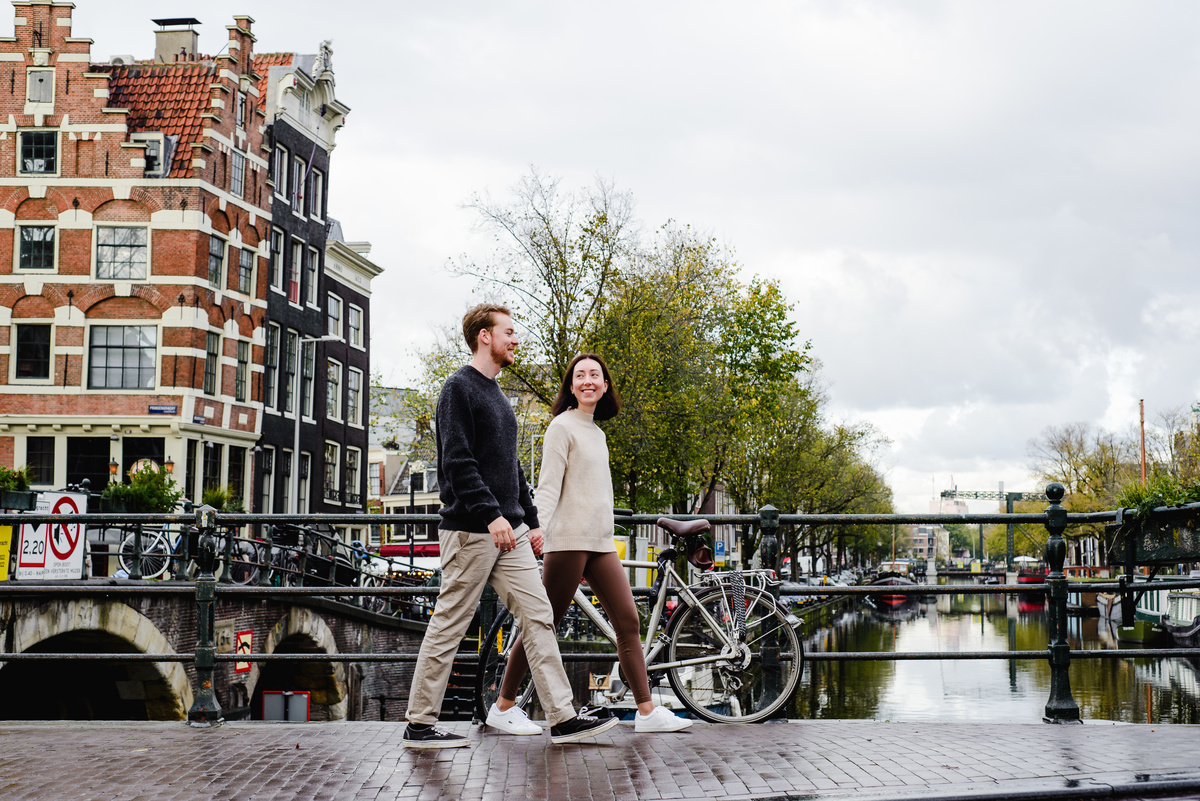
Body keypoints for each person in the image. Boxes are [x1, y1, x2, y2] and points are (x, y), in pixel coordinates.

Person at [403, 305, 619, 748]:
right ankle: (420, 723)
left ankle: (561, 718)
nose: (515, 339)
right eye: (509, 332)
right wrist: (492, 514)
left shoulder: (499, 397)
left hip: (510, 533)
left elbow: (511, 470)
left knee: (539, 616)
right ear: (485, 336)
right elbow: (457, 464)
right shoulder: (458, 389)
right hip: (471, 530)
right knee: (450, 622)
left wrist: (531, 521)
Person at [488, 353, 693, 734]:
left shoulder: (597, 433)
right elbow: (547, 487)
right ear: (570, 386)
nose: (587, 380)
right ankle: (503, 705)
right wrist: (538, 531)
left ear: (605, 385)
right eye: (579, 375)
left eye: (594, 375)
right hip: (566, 543)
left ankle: (646, 712)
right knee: (542, 624)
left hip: (600, 544)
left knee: (628, 622)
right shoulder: (560, 428)